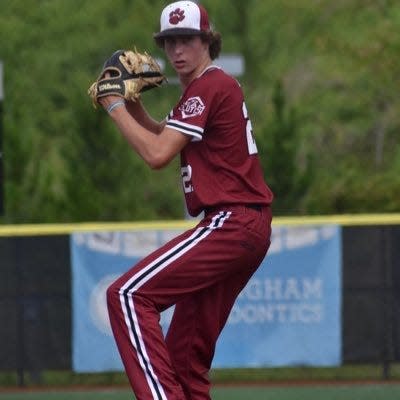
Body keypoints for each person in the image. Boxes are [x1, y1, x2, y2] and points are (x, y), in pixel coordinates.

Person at [104, 1, 274, 399]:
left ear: (207, 41)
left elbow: (156, 156)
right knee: (184, 359)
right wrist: (133, 106)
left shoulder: (210, 84)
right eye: (170, 42)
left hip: (231, 223)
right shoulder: (206, 89)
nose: (178, 50)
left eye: (187, 40)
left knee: (127, 295)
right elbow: (164, 137)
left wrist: (113, 106)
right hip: (246, 227)